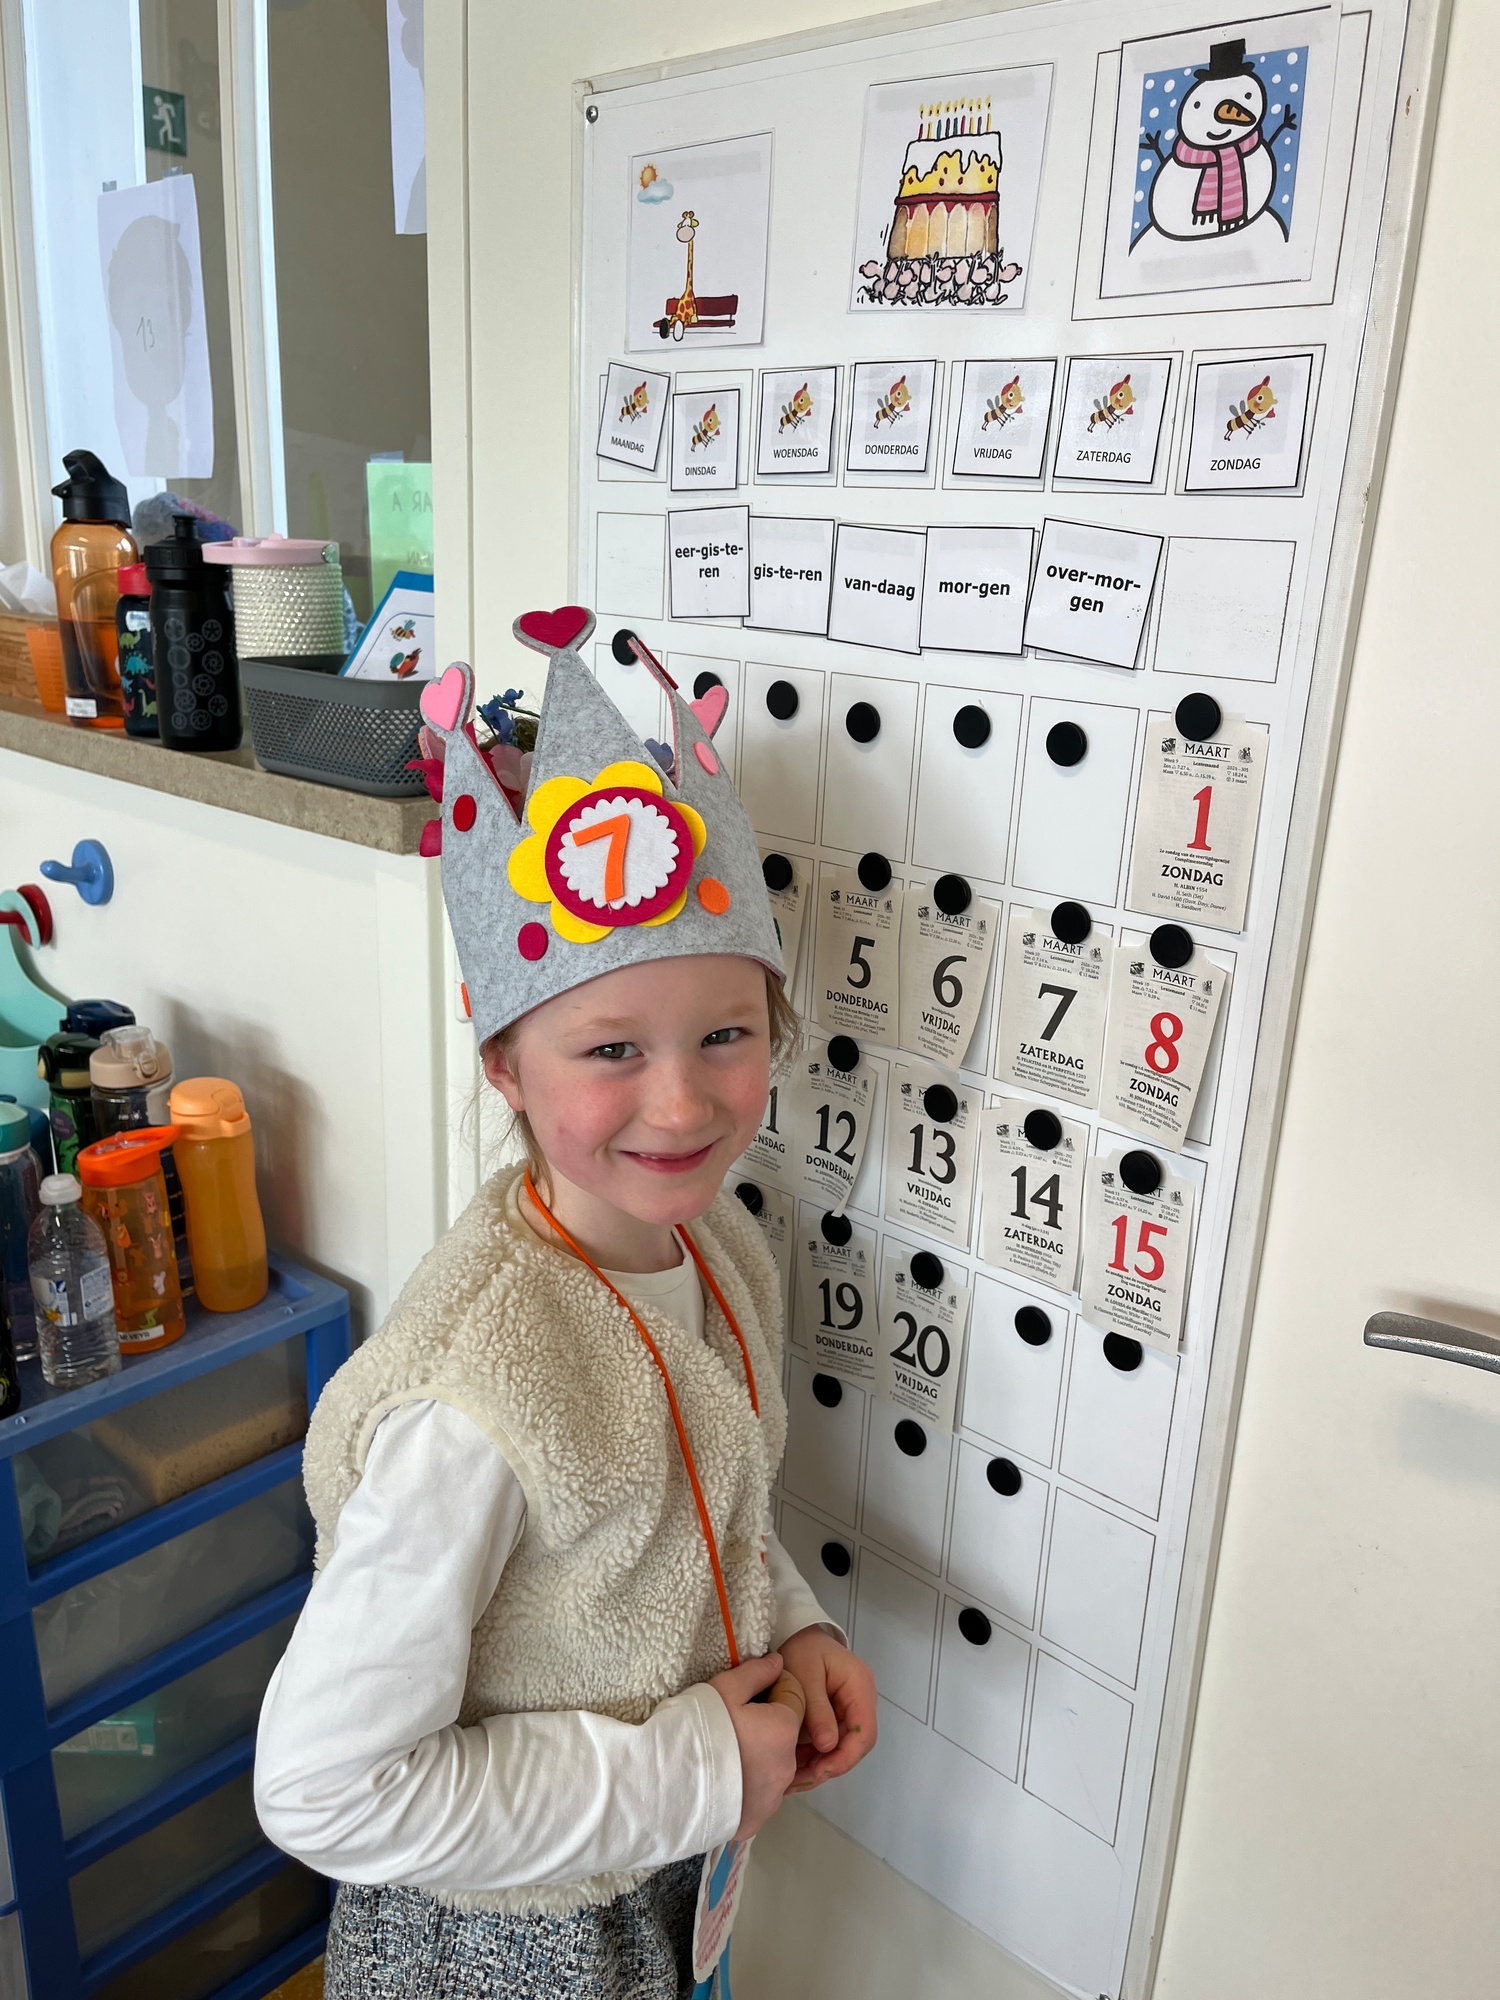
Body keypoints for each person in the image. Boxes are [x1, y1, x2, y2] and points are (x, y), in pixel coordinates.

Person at [255, 608, 878, 1998]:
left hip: (667, 1874)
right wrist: (692, 1771)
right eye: (611, 1050)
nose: (683, 1102)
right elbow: (323, 1791)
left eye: (726, 1035)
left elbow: (694, 1498)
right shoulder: (477, 1401)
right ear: (505, 1064)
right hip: (505, 1941)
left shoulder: (718, 1247)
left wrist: (792, 1622)